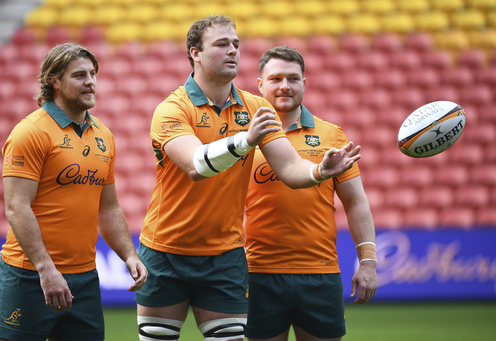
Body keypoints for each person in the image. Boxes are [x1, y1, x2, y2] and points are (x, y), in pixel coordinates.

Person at [135, 15, 362, 341]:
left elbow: (290, 170)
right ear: (195, 53)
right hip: (165, 249)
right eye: (222, 44)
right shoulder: (172, 108)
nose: (233, 51)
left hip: (225, 255)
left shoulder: (256, 107)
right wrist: (246, 139)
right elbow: (195, 165)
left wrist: (318, 171)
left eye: (236, 45)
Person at [0, 42, 147, 341]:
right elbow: (16, 206)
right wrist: (45, 269)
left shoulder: (104, 135)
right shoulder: (30, 132)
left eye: (93, 73)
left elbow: (109, 208)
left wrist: (129, 255)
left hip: (85, 278)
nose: (91, 81)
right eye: (79, 75)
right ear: (54, 81)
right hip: (30, 276)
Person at [243, 46, 378, 341]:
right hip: (258, 273)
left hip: (320, 272)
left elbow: (356, 201)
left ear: (305, 84)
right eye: (275, 78)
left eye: (293, 79)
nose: (284, 86)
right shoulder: (243, 140)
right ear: (260, 85)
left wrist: (367, 262)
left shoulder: (332, 135)